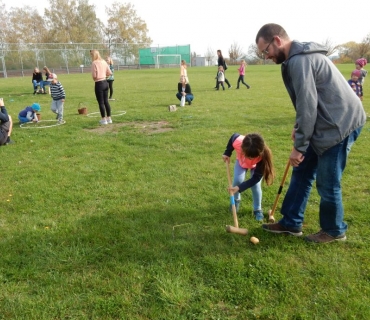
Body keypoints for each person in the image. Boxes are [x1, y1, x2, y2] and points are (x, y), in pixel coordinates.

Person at [255, 23, 366, 243]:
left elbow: (308, 105)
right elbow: (307, 104)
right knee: (303, 170)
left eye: (265, 50)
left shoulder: (300, 60)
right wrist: (299, 128)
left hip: (340, 125)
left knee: (327, 180)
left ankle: (334, 231)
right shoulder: (296, 58)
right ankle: (291, 222)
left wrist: (299, 147)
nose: (266, 56)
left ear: (277, 40)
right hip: (326, 121)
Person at [222, 133, 275, 221]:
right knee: (238, 180)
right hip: (241, 162)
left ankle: (257, 209)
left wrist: (239, 188)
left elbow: (255, 178)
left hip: (256, 166)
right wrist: (227, 152)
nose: (250, 158)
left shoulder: (263, 156)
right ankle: (235, 201)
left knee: (256, 185)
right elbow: (232, 137)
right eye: (248, 156)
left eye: (252, 157)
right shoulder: (238, 141)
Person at [90, 50, 112, 125]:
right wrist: (105, 76)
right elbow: (109, 72)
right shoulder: (104, 62)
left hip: (99, 84)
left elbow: (94, 75)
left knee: (101, 102)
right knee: (106, 101)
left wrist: (96, 78)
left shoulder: (94, 63)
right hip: (106, 83)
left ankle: (103, 119)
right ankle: (109, 118)